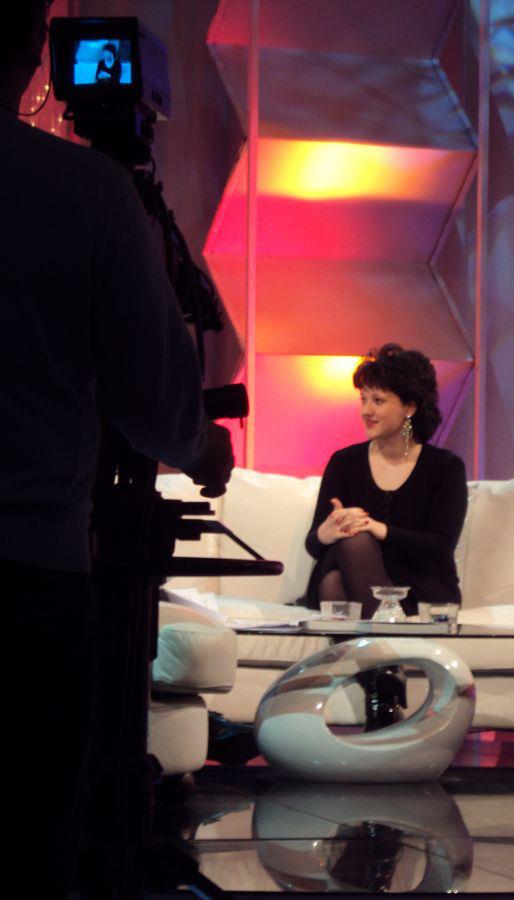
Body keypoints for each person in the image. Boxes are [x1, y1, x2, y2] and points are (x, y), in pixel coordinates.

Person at [0, 3, 233, 895]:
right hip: (28, 573)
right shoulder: (88, 192)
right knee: (28, 835)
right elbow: (153, 392)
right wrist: (202, 449)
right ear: (31, 52)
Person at [305, 344, 468, 620]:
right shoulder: (344, 463)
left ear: (409, 407)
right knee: (344, 557)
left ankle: (375, 646)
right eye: (364, 400)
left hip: (420, 588)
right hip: (355, 574)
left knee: (339, 575)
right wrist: (327, 532)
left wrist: (378, 529)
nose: (366, 411)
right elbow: (314, 545)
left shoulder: (444, 467)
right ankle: (388, 645)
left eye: (378, 401)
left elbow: (440, 547)